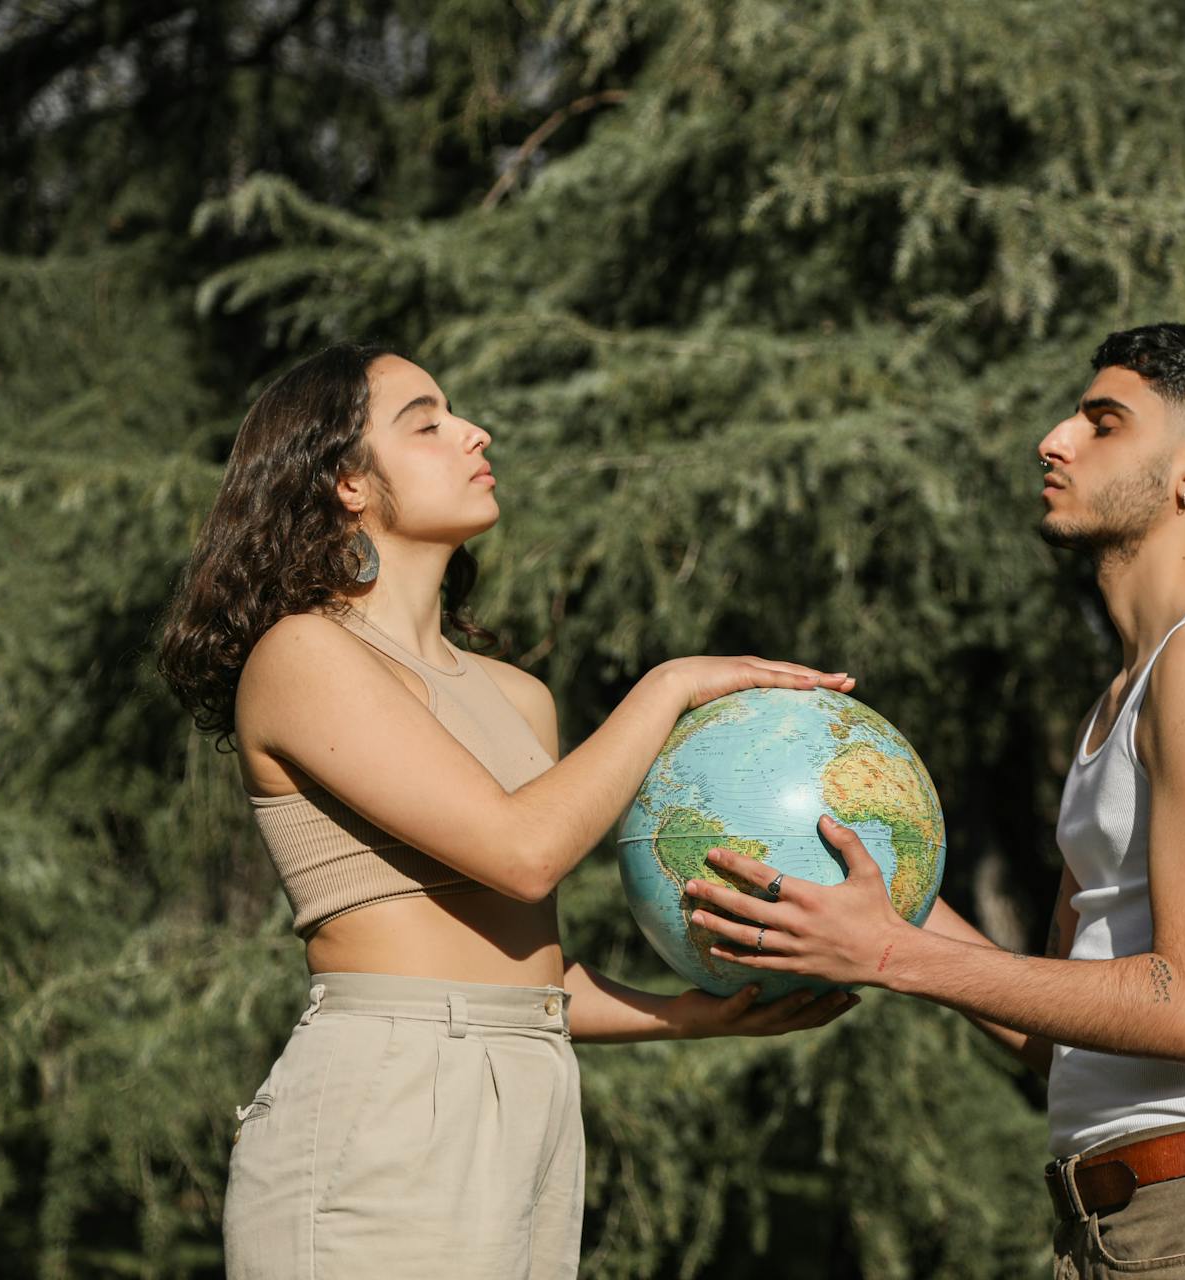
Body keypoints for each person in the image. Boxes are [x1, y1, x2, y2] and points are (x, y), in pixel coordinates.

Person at [156, 342, 859, 1279]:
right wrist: (670, 685)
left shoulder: (519, 697)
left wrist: (694, 1015)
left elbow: (526, 978)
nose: (474, 432)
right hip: (385, 1102)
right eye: (427, 421)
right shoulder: (303, 656)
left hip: (533, 1096)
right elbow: (523, 851)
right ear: (346, 484)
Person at [682, 324, 1185, 1276]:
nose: (1054, 439)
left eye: (1103, 422)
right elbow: (1059, 1038)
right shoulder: (1128, 692)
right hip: (1125, 1228)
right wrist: (869, 900)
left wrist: (888, 948)